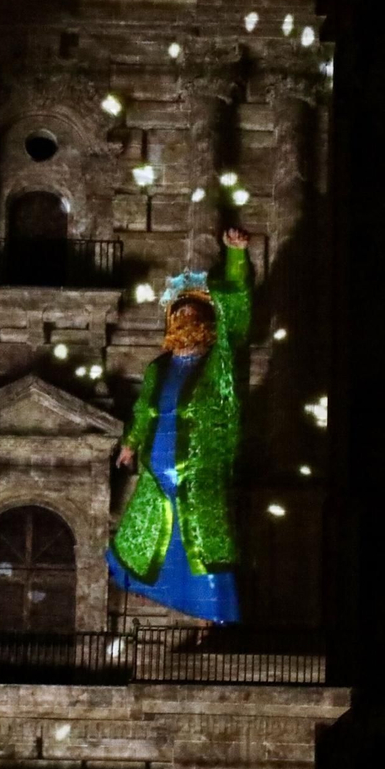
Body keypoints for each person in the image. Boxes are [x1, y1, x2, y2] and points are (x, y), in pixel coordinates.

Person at [106, 227, 251, 624]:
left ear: (205, 319)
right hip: (158, 475)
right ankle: (180, 620)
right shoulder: (158, 367)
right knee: (150, 546)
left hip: (201, 473)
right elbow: (144, 410)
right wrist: (131, 443)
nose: (187, 316)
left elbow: (236, 317)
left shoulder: (220, 363)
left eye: (194, 311)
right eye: (180, 311)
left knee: (204, 550)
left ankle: (213, 622)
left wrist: (236, 258)